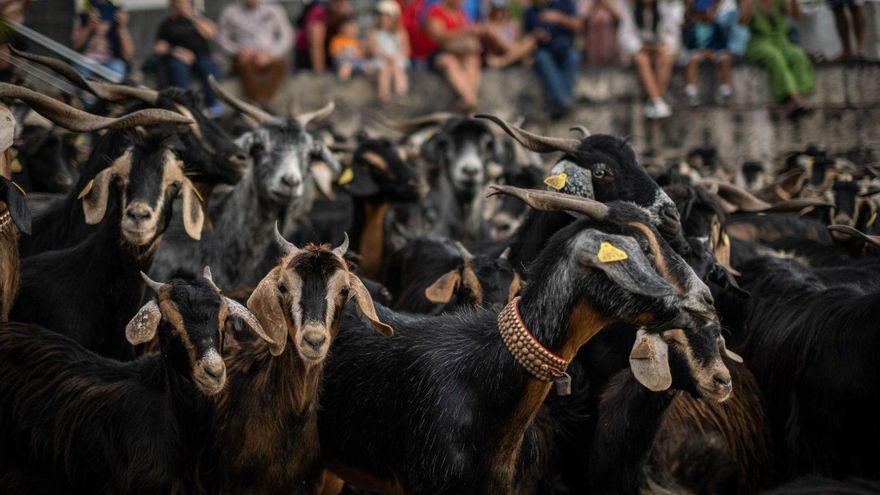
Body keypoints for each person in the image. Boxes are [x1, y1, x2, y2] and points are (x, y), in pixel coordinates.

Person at [741, 0, 814, 118]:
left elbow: (796, 15)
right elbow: (742, 22)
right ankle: (795, 99)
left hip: (782, 41)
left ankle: (796, 99)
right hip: (759, 43)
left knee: (797, 55)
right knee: (774, 57)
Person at [218, 0, 293, 106]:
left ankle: (257, 103)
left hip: (268, 56)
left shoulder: (274, 10)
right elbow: (222, 39)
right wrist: (237, 51)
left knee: (281, 65)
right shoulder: (230, 12)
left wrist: (271, 55)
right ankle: (259, 105)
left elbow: (286, 36)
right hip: (242, 57)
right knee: (243, 65)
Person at [153, 0, 222, 116]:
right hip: (178, 59)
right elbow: (159, 48)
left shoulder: (197, 20)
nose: (183, 6)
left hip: (200, 57)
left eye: (186, 4)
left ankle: (213, 104)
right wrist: (175, 51)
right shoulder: (167, 24)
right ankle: (184, 104)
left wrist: (193, 17)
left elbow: (211, 33)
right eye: (180, 4)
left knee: (208, 67)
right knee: (177, 68)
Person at [617, 0, 683, 119]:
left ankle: (655, 101)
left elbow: (672, 34)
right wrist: (642, 47)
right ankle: (658, 100)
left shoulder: (663, 9)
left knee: (665, 58)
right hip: (640, 51)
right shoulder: (631, 11)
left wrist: (661, 46)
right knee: (642, 59)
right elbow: (625, 37)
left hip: (659, 50)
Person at [524, 0, 581, 119]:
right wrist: (537, 35)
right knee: (541, 58)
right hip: (544, 50)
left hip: (565, 47)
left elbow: (578, 26)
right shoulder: (530, 12)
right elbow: (525, 38)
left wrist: (559, 18)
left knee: (574, 57)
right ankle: (564, 101)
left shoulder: (565, 3)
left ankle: (558, 103)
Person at [425, 0, 483, 111]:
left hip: (459, 53)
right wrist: (464, 31)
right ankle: (470, 98)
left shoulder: (461, 13)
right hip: (439, 53)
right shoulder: (436, 12)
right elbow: (438, 37)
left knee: (472, 60)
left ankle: (468, 98)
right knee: (449, 61)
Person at [682, 0, 733, 106]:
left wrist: (712, 51)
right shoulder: (692, 27)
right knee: (692, 60)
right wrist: (701, 51)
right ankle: (691, 90)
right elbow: (689, 44)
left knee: (724, 59)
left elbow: (723, 43)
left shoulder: (717, 26)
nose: (707, 13)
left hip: (714, 52)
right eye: (703, 11)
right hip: (698, 52)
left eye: (709, 11)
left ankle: (726, 89)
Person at [71, 0, 133, 79]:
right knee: (80, 70)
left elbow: (128, 55)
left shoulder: (116, 21)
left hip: (109, 61)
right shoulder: (82, 18)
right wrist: (89, 27)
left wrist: (122, 27)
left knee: (117, 68)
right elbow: (75, 46)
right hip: (85, 59)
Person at [367, 0, 410, 101]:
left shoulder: (401, 32)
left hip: (398, 59)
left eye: (387, 16)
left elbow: (406, 50)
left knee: (396, 67)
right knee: (385, 68)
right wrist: (386, 56)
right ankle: (384, 97)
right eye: (381, 15)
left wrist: (396, 57)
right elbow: (374, 50)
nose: (383, 19)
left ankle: (401, 94)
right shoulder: (372, 32)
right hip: (381, 60)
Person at [294, 0, 353, 73]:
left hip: (327, 50)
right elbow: (316, 45)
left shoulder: (344, 14)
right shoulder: (319, 12)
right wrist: (320, 71)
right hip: (305, 53)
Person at [484, 0, 537, 68]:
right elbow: (503, 44)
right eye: (497, 10)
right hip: (501, 52)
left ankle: (502, 62)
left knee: (530, 40)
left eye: (502, 10)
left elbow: (518, 41)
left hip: (509, 54)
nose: (500, 13)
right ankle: (519, 57)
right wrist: (520, 51)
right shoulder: (490, 26)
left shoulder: (513, 24)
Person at [578, 0, 623, 66]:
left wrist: (607, 4)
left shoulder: (615, 1)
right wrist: (592, 6)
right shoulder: (585, 2)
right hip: (591, 43)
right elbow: (580, 23)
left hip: (609, 42)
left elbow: (619, 19)